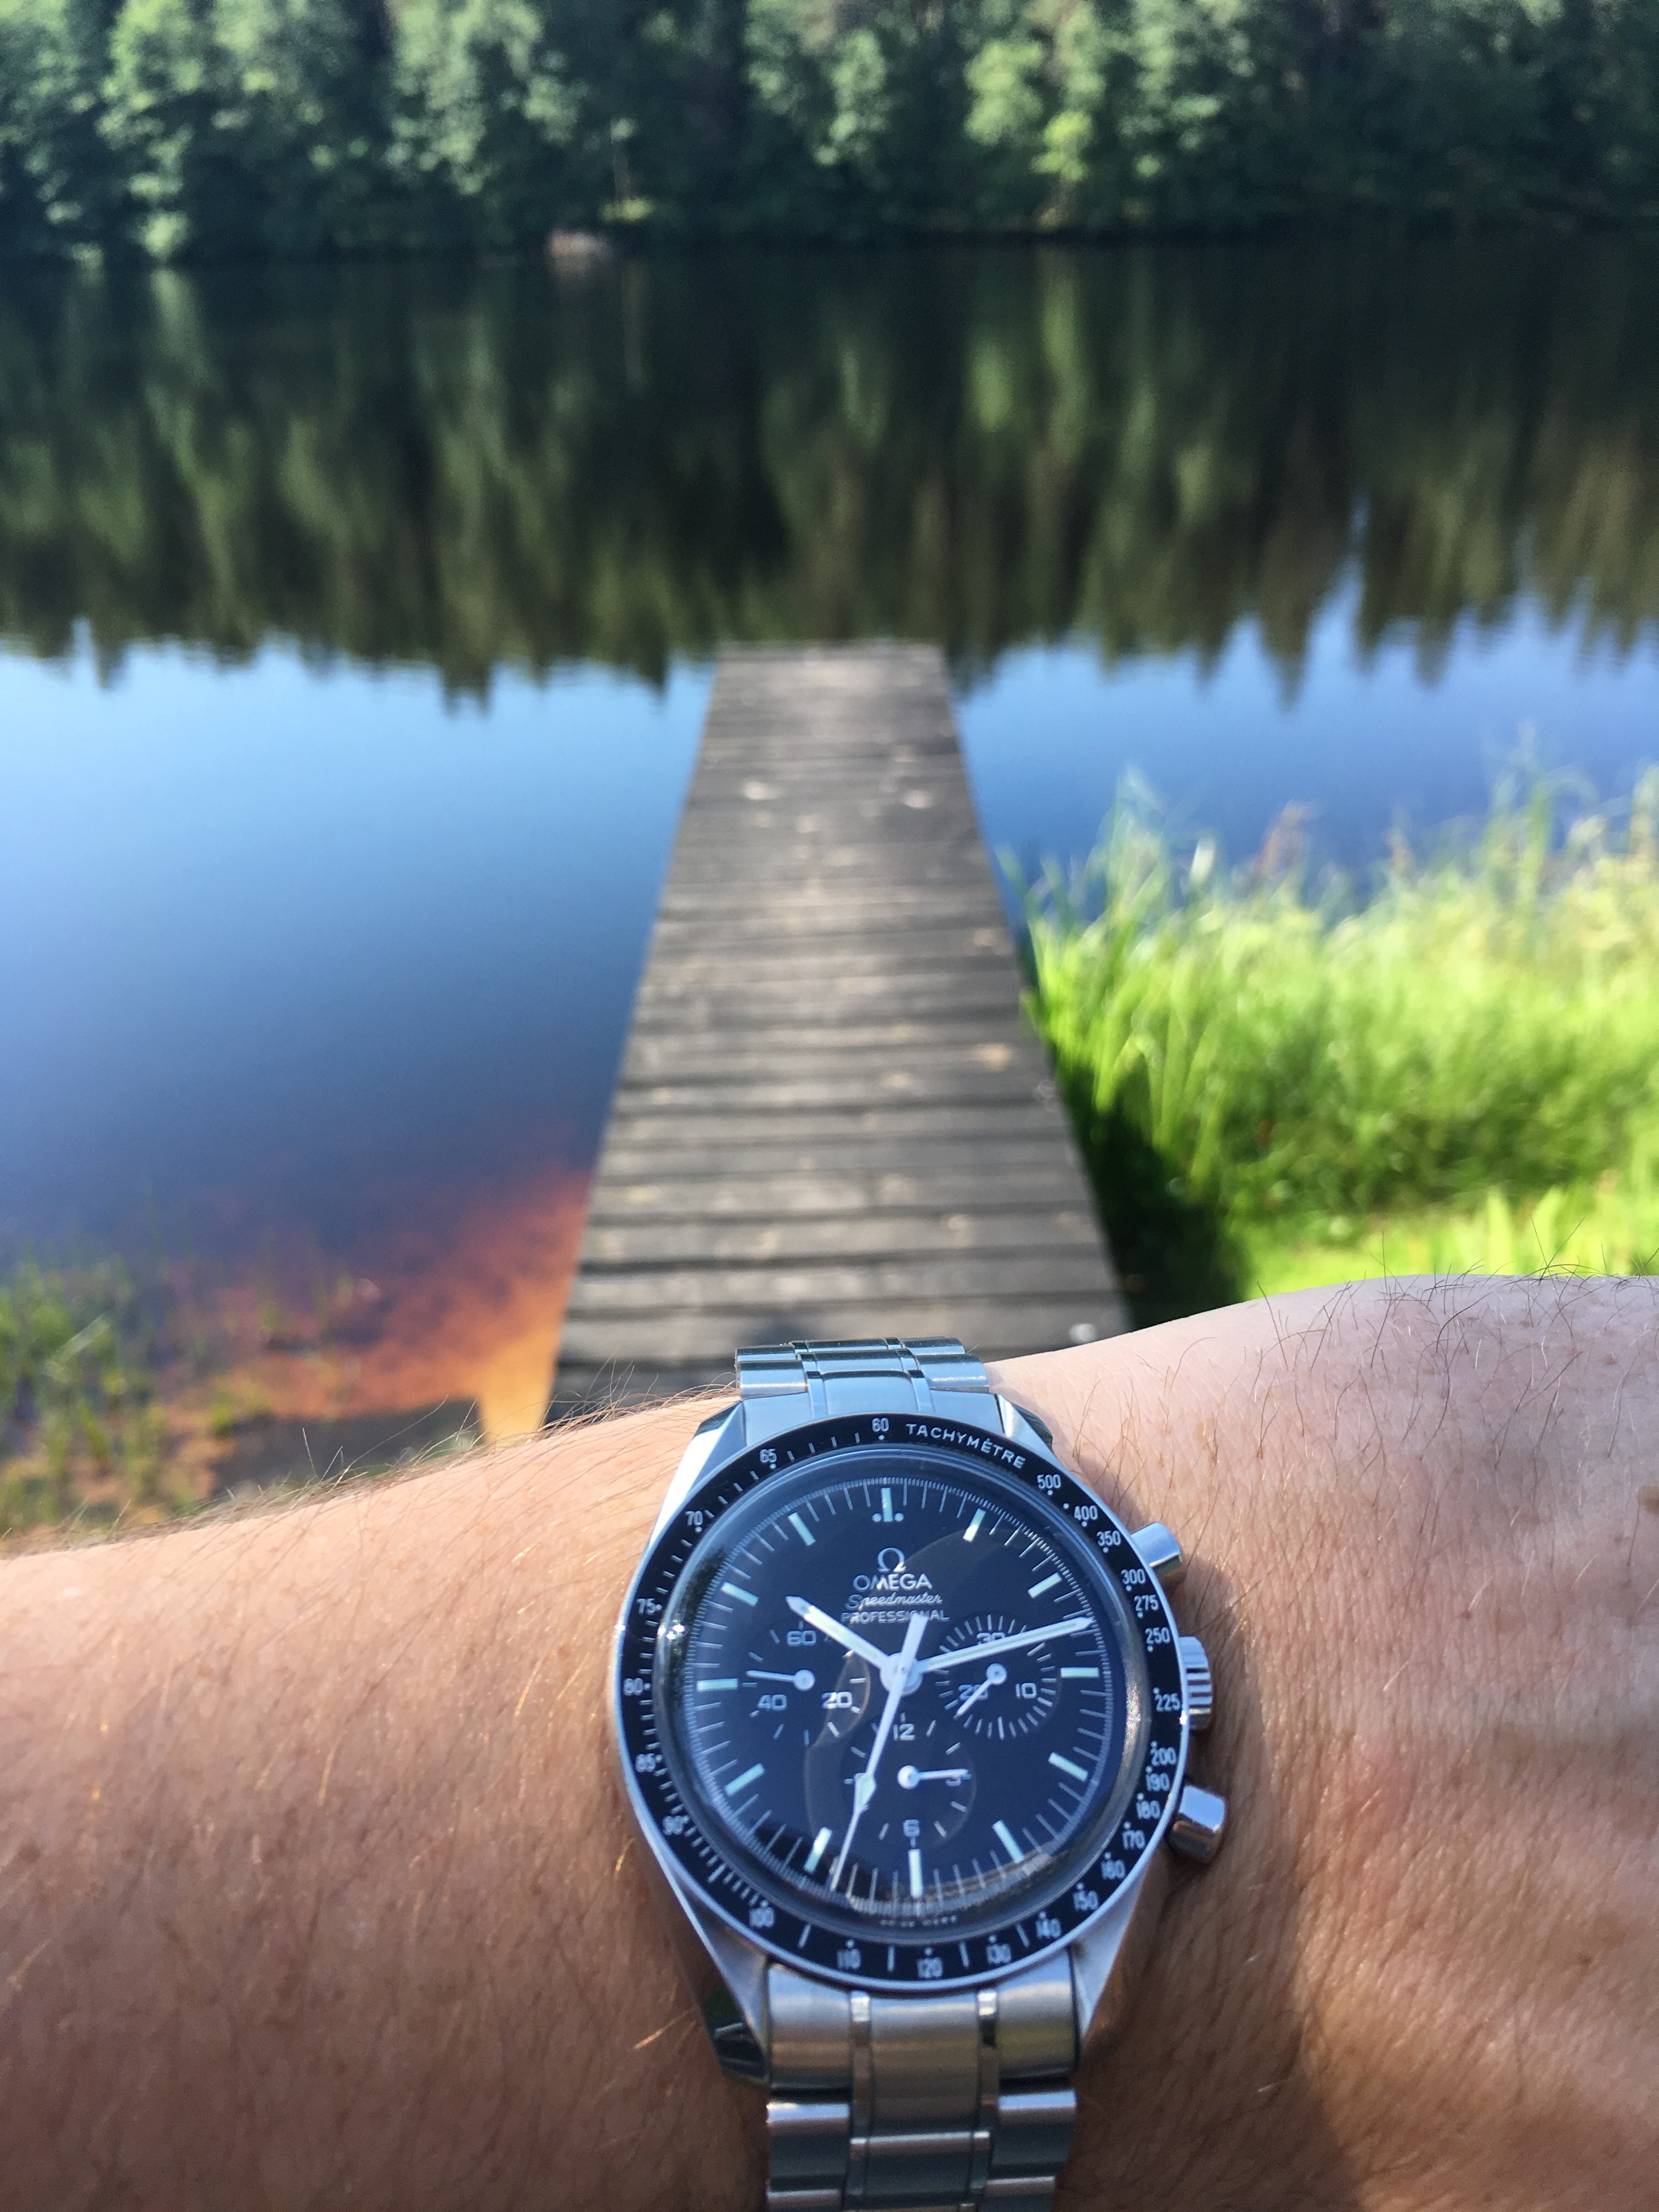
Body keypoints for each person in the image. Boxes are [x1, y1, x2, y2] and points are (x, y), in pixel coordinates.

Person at [1, 1274, 1654, 2210]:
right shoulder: (703, 1676)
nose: (911, 1674)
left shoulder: (1128, 1702)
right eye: (870, 1662)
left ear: (1173, 1694)